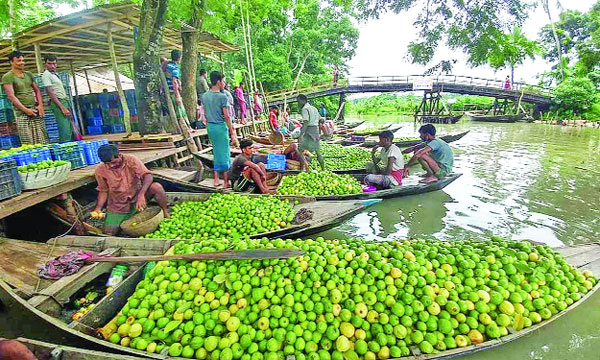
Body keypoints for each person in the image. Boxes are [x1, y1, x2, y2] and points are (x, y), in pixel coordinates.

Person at [93, 144, 169, 235]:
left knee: (156, 187)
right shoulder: (100, 170)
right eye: (107, 163)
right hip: (118, 205)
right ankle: (126, 217)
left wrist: (141, 195)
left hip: (137, 196)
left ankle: (165, 212)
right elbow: (103, 190)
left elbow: (148, 176)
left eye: (113, 162)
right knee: (109, 233)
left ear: (119, 155)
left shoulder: (131, 160)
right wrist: (98, 208)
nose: (111, 165)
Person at [2, 51, 47, 144]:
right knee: (28, 141)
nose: (22, 63)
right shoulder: (8, 76)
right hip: (21, 113)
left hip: (35, 110)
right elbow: (11, 96)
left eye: (23, 60)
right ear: (11, 62)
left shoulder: (28, 74)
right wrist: (26, 110)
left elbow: (37, 90)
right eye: (19, 61)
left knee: (42, 139)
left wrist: (40, 105)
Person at [204, 71, 239, 187]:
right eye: (223, 81)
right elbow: (227, 116)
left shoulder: (204, 96)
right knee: (224, 153)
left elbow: (205, 115)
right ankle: (225, 181)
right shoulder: (222, 97)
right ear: (218, 82)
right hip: (220, 127)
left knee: (216, 152)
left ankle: (215, 179)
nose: (224, 83)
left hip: (210, 127)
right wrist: (232, 132)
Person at [41, 54, 74, 142]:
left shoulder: (55, 75)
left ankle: (69, 145)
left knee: (68, 127)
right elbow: (50, 91)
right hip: (58, 103)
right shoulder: (46, 75)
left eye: (54, 63)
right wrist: (62, 107)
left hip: (63, 101)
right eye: (49, 63)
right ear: (45, 64)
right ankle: (64, 148)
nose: (52, 66)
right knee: (64, 128)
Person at [164, 50, 191, 130]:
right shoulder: (174, 67)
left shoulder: (168, 65)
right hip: (172, 91)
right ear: (179, 58)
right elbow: (174, 81)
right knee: (180, 110)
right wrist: (177, 95)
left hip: (168, 91)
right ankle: (185, 128)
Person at [296, 94, 324, 171]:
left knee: (300, 150)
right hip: (315, 130)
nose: (298, 104)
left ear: (302, 100)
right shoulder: (314, 108)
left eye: (298, 102)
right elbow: (321, 120)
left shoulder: (305, 109)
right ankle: (323, 170)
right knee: (318, 152)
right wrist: (319, 132)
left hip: (309, 131)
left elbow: (306, 122)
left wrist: (301, 135)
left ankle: (302, 170)